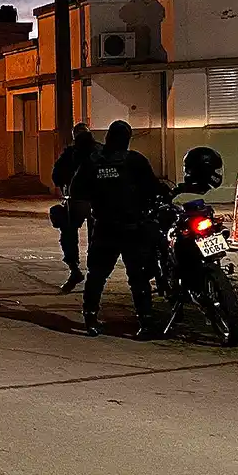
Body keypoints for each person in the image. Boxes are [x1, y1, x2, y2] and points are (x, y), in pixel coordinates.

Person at [68, 120, 166, 339]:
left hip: (105, 228)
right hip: (133, 227)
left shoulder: (92, 162)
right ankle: (146, 321)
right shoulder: (135, 160)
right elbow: (153, 187)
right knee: (138, 278)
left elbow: (77, 193)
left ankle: (90, 318)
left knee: (97, 276)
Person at [50, 123, 97, 293]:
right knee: (93, 238)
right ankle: (87, 273)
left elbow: (56, 175)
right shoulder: (99, 151)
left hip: (79, 201)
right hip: (93, 201)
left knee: (70, 234)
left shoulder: (71, 153)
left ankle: (76, 269)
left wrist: (64, 185)